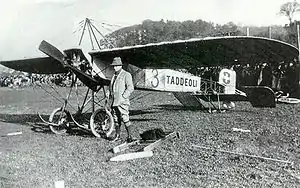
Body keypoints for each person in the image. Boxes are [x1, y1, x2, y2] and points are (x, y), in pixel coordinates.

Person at [108, 57, 134, 142]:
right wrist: (109, 93)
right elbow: (112, 87)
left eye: (116, 66)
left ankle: (130, 136)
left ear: (120, 66)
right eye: (113, 66)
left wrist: (124, 97)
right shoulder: (114, 76)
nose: (114, 67)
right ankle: (117, 135)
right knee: (116, 118)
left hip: (122, 101)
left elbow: (130, 87)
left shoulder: (126, 75)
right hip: (114, 101)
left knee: (125, 117)